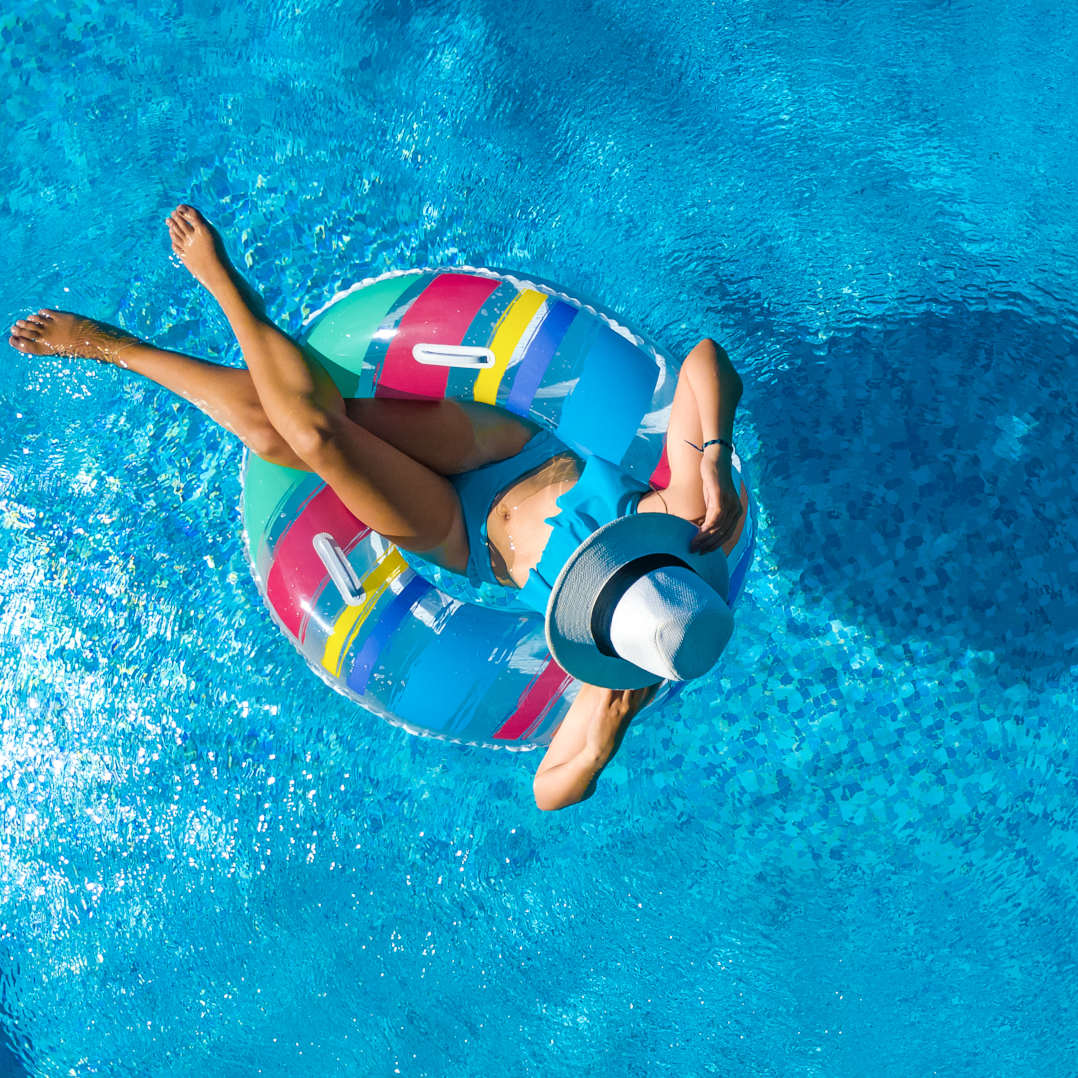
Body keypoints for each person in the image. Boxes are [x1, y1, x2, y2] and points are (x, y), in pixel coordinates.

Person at [8, 205, 745, 811]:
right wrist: (712, 454)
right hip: (501, 450)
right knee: (282, 432)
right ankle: (142, 340)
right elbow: (709, 359)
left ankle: (213, 308)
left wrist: (606, 731)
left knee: (314, 434)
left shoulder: (620, 664)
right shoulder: (689, 520)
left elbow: (549, 791)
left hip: (455, 536)